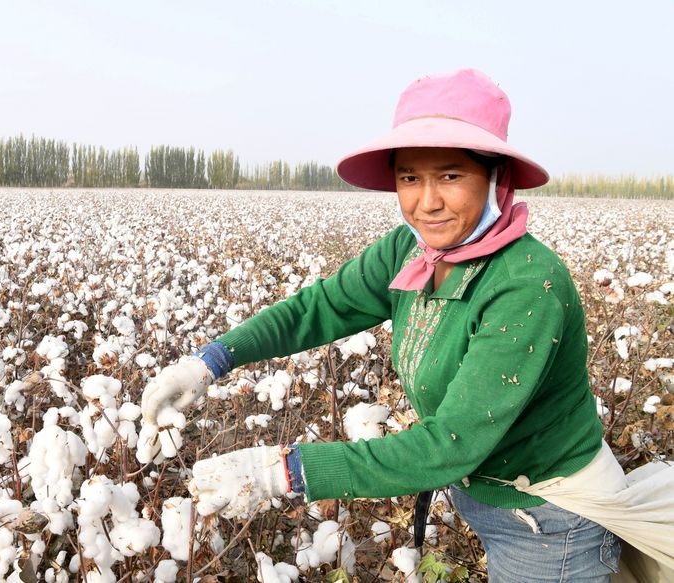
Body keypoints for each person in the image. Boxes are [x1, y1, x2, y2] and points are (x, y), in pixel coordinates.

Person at [140, 69, 622, 581]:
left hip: (550, 523)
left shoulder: (526, 285)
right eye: (410, 177)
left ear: (496, 177)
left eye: (451, 175)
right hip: (488, 497)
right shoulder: (412, 250)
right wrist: (209, 361)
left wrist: (284, 471)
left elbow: (451, 443)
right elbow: (318, 308)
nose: (427, 201)